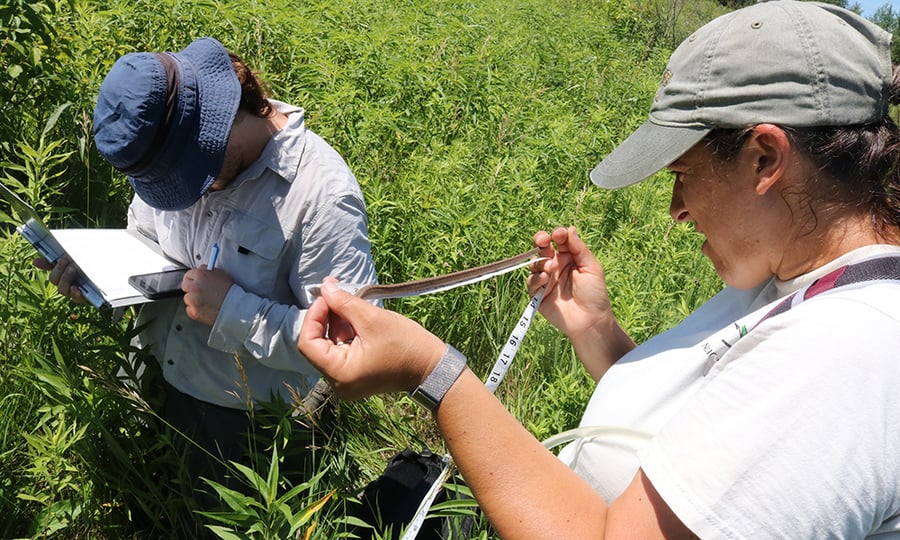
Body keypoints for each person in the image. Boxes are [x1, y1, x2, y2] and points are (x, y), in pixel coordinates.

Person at [297, 1, 900, 537]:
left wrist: (432, 372)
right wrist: (597, 332)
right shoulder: (800, 274)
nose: (677, 211)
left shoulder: (848, 356)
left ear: (764, 158)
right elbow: (707, 434)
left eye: (682, 174)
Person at [36, 37, 378, 505]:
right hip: (148, 374)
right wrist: (97, 273)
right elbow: (145, 237)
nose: (185, 194)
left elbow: (354, 344)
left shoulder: (321, 195)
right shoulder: (169, 148)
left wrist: (233, 310)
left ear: (231, 112)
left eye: (195, 176)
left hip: (240, 422)